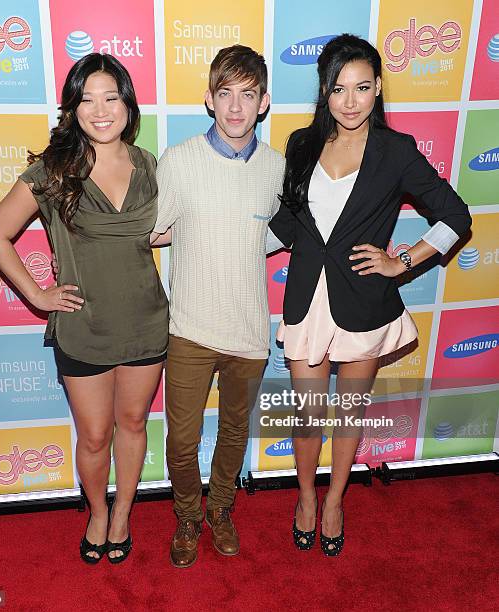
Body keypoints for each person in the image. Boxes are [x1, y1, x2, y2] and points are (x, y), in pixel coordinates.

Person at [269, 34, 471, 556]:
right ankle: (307, 497)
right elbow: (290, 222)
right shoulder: (301, 144)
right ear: (325, 92)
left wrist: (401, 261)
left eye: (362, 87)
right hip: (307, 299)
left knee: (348, 415)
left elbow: (456, 216)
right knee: (309, 414)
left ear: (378, 87)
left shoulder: (396, 152)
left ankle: (335, 500)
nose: (350, 101)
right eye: (338, 89)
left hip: (363, 302)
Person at [0, 53, 168, 565]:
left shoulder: (150, 165)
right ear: (73, 108)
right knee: (94, 434)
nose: (100, 109)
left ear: (128, 105)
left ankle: (125, 512)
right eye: (87, 99)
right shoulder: (52, 169)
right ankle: (97, 512)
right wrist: (38, 296)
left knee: (132, 426)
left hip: (147, 324)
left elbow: (158, 231)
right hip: (84, 328)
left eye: (111, 97)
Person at [150, 45, 285, 567]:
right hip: (188, 328)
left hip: (250, 332)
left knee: (233, 435)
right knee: (182, 441)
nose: (235, 107)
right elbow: (155, 231)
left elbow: (271, 236)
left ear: (264, 102)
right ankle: (187, 515)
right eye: (225, 94)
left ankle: (221, 509)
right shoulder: (180, 160)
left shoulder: (276, 169)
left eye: (246, 95)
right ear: (208, 99)